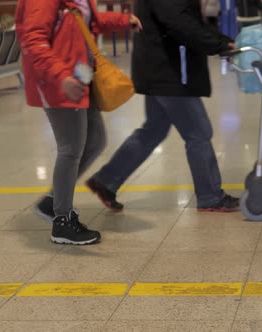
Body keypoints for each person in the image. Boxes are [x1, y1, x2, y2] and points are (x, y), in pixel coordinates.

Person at [86, 0, 240, 213]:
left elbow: (187, 18)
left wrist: (221, 41)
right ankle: (210, 196)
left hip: (160, 67)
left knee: (153, 130)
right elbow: (178, 22)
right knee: (198, 132)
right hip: (170, 71)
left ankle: (107, 180)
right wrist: (216, 44)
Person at [17, 0, 142, 245]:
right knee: (71, 149)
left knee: (95, 140)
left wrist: (123, 20)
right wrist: (61, 77)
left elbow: (89, 21)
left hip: (80, 76)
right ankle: (61, 221)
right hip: (58, 81)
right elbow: (34, 39)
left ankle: (52, 202)